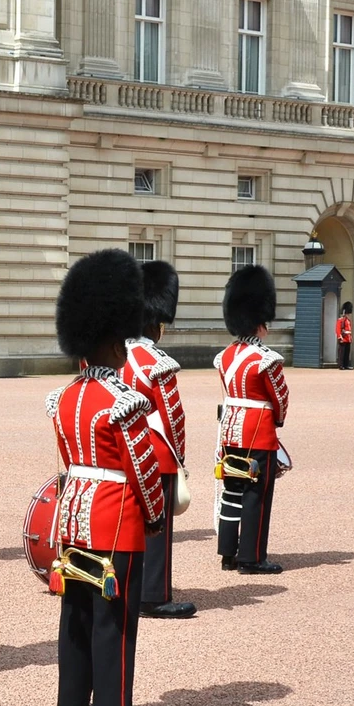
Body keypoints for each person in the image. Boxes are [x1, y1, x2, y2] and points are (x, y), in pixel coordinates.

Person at [47, 250, 170, 706]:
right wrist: (157, 517)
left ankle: (72, 704)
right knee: (114, 617)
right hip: (114, 518)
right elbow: (142, 471)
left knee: (75, 611)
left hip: (74, 513)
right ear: (115, 342)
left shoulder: (64, 398)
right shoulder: (125, 403)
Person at [122, 260, 194, 619]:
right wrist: (179, 457)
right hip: (156, 450)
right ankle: (154, 593)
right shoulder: (157, 362)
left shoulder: (117, 356)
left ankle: (127, 585)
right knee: (157, 527)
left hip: (121, 451)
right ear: (157, 323)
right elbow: (173, 416)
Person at [213, 265, 289, 575]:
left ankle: (228, 553)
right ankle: (252, 557)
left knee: (231, 491)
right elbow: (280, 399)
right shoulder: (266, 359)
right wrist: (279, 421)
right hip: (257, 432)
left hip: (229, 429)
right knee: (256, 495)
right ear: (261, 322)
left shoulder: (225, 356)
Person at [335, 301, 354, 370]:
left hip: (348, 338)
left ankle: (346, 365)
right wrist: (340, 337)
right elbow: (338, 329)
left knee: (347, 353)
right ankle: (341, 365)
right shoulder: (341, 320)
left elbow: (349, 330)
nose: (348, 315)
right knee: (342, 353)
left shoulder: (348, 321)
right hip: (343, 338)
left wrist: (350, 337)